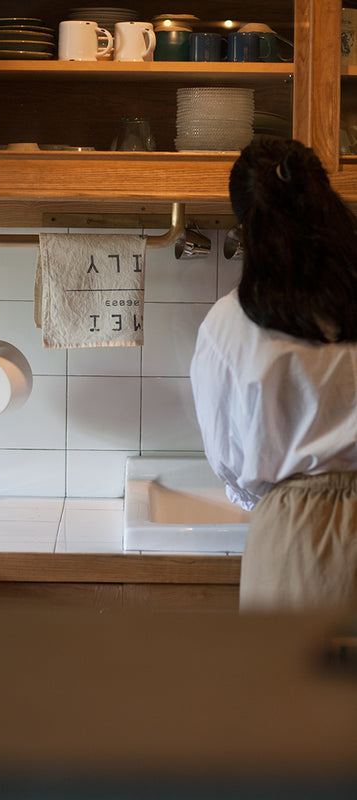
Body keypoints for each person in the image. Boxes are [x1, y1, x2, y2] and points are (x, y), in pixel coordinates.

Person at [190, 136, 357, 611]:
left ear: (248, 226)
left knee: (295, 684)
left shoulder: (230, 323)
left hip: (296, 539)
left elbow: (230, 460)